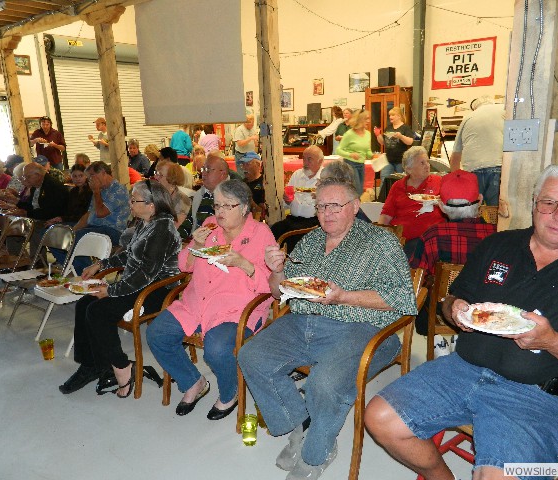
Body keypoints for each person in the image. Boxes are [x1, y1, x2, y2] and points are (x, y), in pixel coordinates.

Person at [365, 162, 558, 480]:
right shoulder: (499, 244)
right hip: (463, 368)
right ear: (535, 204)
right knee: (379, 417)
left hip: (538, 395)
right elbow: (452, 299)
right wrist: (455, 309)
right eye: (549, 202)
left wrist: (552, 341)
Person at [238, 177, 417, 480]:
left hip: (360, 326)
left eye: (335, 205)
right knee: (251, 356)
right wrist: (277, 270)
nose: (327, 213)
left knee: (325, 384)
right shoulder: (310, 240)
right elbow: (281, 293)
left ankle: (316, 453)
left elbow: (402, 300)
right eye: (321, 206)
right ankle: (302, 424)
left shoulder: (380, 242)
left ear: (355, 206)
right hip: (303, 321)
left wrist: (342, 296)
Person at [146, 180, 275, 419]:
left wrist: (243, 264)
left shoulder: (261, 234)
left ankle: (230, 392)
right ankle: (193, 382)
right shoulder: (209, 226)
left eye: (227, 206)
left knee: (216, 349)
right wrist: (196, 244)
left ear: (245, 207)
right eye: (217, 206)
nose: (220, 212)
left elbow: (272, 285)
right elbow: (184, 266)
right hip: (196, 304)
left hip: (236, 309)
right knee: (157, 334)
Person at [59, 180, 181, 397]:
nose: (130, 203)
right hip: (139, 283)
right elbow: (130, 255)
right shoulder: (146, 222)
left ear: (151, 205)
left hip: (157, 291)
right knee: (85, 303)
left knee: (98, 310)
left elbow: (146, 275)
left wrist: (111, 291)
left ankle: (122, 366)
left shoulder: (162, 229)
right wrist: (101, 264)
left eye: (134, 200)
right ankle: (92, 365)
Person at [408, 169, 496, 350]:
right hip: (486, 312)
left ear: (441, 205)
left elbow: (414, 282)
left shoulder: (431, 236)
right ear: (480, 200)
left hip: (442, 312)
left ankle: (440, 341)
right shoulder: (496, 235)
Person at [378, 146, 445, 256]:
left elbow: (451, 209)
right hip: (401, 239)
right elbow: (386, 215)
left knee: (413, 248)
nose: (427, 166)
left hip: (429, 239)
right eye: (422, 163)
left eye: (427, 162)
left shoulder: (439, 182)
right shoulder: (398, 186)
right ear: (409, 169)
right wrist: (379, 236)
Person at [450, 95, 505, 206]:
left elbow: (455, 157)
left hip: (472, 171)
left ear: (475, 108)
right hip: (497, 167)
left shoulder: (468, 118)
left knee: (472, 212)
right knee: (495, 213)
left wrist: (456, 181)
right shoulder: (503, 110)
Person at [271, 146, 324, 250]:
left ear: (320, 161)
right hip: (293, 219)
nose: (305, 162)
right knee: (274, 229)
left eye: (310, 159)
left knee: (293, 238)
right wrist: (286, 200)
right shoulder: (297, 174)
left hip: (313, 222)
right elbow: (286, 204)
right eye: (304, 158)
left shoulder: (325, 177)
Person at [1, 162, 68, 221]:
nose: (25, 179)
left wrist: (26, 213)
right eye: (24, 177)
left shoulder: (52, 186)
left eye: (28, 176)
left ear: (38, 175)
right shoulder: (35, 186)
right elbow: (31, 206)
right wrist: (16, 202)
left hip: (51, 222)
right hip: (37, 219)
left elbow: (49, 212)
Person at [336, 110, 376, 194]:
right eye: (366, 119)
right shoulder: (349, 134)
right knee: (356, 190)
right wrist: (350, 154)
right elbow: (338, 150)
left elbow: (367, 151)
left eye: (369, 119)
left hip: (361, 165)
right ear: (360, 120)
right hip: (350, 164)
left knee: (360, 191)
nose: (368, 121)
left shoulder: (368, 134)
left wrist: (373, 156)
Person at [153, 160, 193, 240]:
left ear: (171, 178)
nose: (155, 177)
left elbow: (176, 231)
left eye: (160, 175)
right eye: (156, 173)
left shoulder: (182, 201)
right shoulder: (156, 194)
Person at [191, 152, 229, 230]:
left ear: (222, 174)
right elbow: (189, 222)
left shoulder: (231, 197)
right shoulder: (200, 194)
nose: (203, 173)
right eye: (203, 169)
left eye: (208, 170)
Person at [374, 106, 414, 180]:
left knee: (401, 181)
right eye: (390, 115)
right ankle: (385, 192)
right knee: (384, 179)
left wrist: (401, 136)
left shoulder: (405, 128)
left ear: (399, 116)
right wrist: (378, 135)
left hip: (400, 160)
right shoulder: (388, 128)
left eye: (392, 115)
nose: (390, 117)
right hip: (388, 160)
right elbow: (382, 142)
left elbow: (410, 142)